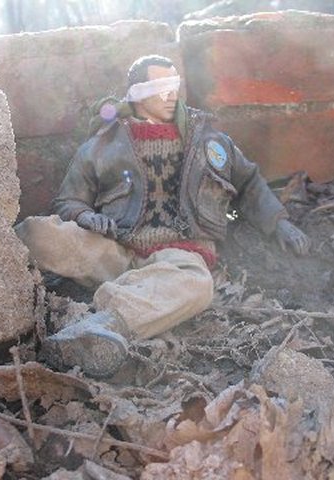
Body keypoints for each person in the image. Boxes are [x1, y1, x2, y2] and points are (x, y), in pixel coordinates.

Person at [16, 55, 309, 378]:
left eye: (174, 86)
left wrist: (279, 223)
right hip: (117, 248)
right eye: (160, 87)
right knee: (37, 233)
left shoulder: (206, 141)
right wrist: (85, 216)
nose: (171, 95)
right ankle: (136, 291)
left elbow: (249, 182)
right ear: (137, 93)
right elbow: (69, 199)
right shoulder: (105, 143)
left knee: (197, 285)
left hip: (178, 254)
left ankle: (106, 323)